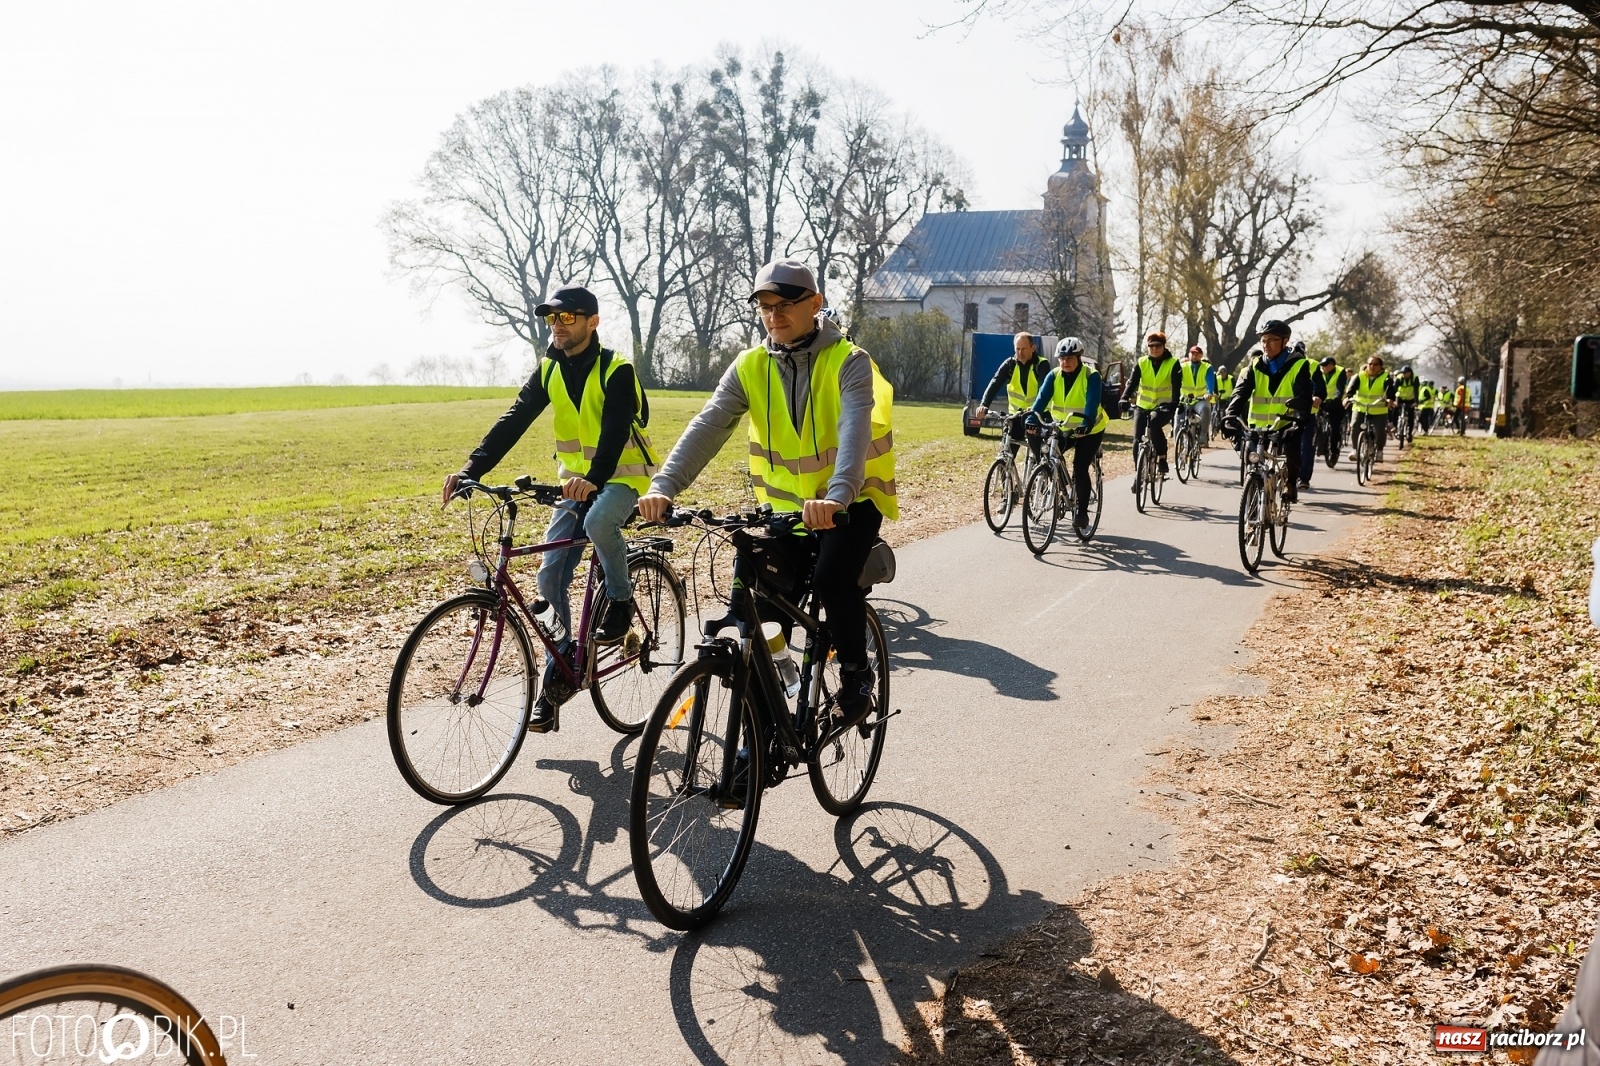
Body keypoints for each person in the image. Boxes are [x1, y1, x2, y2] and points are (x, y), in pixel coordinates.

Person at [638, 259, 894, 730]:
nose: (773, 315)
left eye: (785, 305)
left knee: (834, 578)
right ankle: (755, 744)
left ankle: (857, 677)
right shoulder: (750, 365)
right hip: (782, 510)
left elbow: (856, 428)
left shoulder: (849, 361)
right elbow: (709, 425)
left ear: (815, 305)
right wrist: (663, 485)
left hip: (850, 504)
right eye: (764, 306)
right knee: (757, 617)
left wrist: (837, 496)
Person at [443, 285, 656, 732]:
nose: (557, 326)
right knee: (548, 572)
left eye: (567, 318)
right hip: (574, 483)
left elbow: (616, 431)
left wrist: (595, 479)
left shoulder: (616, 369)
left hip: (621, 478)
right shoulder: (549, 370)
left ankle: (620, 599)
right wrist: (471, 470)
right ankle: (560, 668)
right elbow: (514, 419)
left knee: (600, 522)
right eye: (552, 319)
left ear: (592, 322)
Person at [1223, 320, 1314, 502]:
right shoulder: (1255, 366)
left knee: (1292, 448)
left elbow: (1304, 398)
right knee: (1252, 460)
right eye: (1263, 340)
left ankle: (1290, 483)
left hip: (1285, 423)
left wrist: (1298, 421)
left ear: (1285, 341)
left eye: (1271, 340)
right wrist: (1230, 415)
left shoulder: (1298, 365)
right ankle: (1253, 503)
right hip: (1257, 425)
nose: (1266, 345)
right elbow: (1240, 392)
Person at [1028, 336, 1107, 529]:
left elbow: (1091, 402)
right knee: (1050, 453)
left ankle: (1081, 512)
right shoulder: (1053, 376)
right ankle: (1059, 483)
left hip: (1090, 429)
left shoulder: (1091, 376)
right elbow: (1041, 400)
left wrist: (1087, 421)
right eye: (1062, 358)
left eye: (1070, 358)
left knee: (1080, 467)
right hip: (1064, 427)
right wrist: (1031, 418)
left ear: (1079, 358)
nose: (1066, 362)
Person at [1120, 330, 1182, 489]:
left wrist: (1174, 402)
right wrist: (1124, 397)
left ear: (1163, 346)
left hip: (1164, 406)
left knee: (1154, 424)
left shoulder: (1173, 363)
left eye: (1158, 345)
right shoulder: (1142, 362)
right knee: (1136, 439)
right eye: (1151, 346)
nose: (1154, 348)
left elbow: (1176, 386)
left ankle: (1161, 458)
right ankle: (1138, 474)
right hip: (1143, 405)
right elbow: (1132, 383)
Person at [975, 331, 1047, 464]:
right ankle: (1009, 482)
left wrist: (1036, 408)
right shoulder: (1010, 365)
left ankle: (1040, 478)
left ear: (1033, 348)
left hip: (1037, 416)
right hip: (1016, 416)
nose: (1020, 353)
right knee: (1005, 455)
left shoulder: (1041, 365)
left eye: (1024, 349)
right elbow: (995, 383)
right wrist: (984, 405)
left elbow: (1044, 389)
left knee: (1040, 456)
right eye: (1017, 349)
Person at [1345, 355, 1394, 462]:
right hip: (1360, 408)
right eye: (1370, 364)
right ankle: (1354, 450)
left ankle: (1380, 451)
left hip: (1379, 409)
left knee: (1380, 432)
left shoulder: (1386, 378)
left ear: (1381, 367)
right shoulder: (1359, 376)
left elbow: (1390, 393)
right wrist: (1347, 398)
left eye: (1375, 364)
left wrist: (1390, 400)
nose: (1372, 366)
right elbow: (1350, 391)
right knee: (1355, 426)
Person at [1179, 344, 1218, 445]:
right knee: (1177, 422)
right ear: (1189, 354)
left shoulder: (1207, 367)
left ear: (1201, 356)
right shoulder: (1182, 366)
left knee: (1206, 409)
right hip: (1185, 400)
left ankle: (1203, 435)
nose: (1194, 356)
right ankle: (1178, 445)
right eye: (1192, 353)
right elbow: (1175, 380)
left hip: (1200, 399)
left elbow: (1210, 382)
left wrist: (1209, 393)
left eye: (1197, 354)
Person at [1314, 356, 1349, 459]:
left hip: (1336, 402)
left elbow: (1340, 387)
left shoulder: (1340, 371)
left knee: (1334, 427)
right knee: (1315, 422)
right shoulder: (1320, 372)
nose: (1323, 368)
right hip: (1322, 401)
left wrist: (1337, 398)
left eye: (1325, 366)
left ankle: (1334, 451)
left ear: (1332, 365)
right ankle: (1319, 445)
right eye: (1322, 366)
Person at [1393, 365, 1421, 439]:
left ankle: (1409, 433)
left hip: (1410, 398)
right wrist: (1393, 401)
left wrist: (1416, 402)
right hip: (1400, 397)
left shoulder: (1415, 378)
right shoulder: (1399, 378)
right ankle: (1394, 426)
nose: (1404, 374)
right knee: (1395, 410)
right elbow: (1394, 389)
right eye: (1403, 373)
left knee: (1410, 416)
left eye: (1405, 373)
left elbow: (1416, 391)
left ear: (1410, 373)